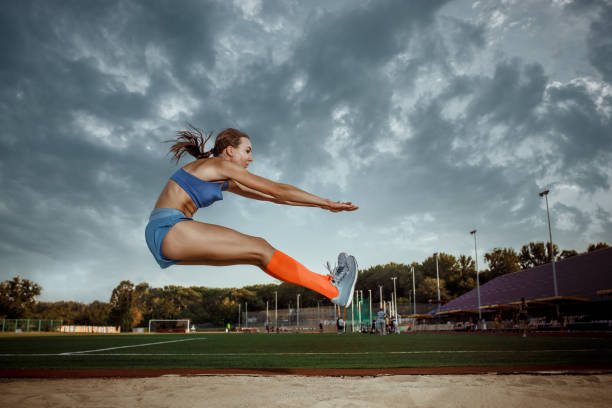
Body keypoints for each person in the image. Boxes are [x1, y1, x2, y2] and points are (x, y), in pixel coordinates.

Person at [145, 126, 359, 307]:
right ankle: (332, 288)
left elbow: (275, 198)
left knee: (258, 253)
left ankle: (330, 286)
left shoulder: (223, 177)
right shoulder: (220, 165)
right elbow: (276, 189)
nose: (251, 158)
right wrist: (326, 202)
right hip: (169, 228)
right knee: (260, 247)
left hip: (167, 233)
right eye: (247, 151)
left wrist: (323, 206)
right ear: (229, 150)